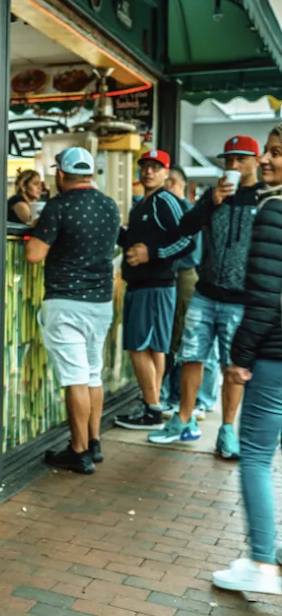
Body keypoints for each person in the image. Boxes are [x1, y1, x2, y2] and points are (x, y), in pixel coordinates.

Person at [150, 136, 261, 456]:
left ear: (255, 161)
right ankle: (183, 421)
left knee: (232, 367)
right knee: (191, 358)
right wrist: (211, 200)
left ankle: (227, 430)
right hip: (205, 292)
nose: (234, 166)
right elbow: (185, 228)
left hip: (241, 299)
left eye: (241, 160)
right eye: (229, 160)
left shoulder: (265, 197)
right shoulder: (215, 196)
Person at [212, 126, 282, 595]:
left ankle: (261, 563)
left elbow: (265, 297)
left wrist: (240, 355)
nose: (268, 161)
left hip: (274, 354)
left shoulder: (273, 211)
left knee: (255, 457)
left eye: (276, 153)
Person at [25, 147, 120, 474]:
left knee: (75, 379)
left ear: (61, 175)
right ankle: (93, 442)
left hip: (66, 303)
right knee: (92, 374)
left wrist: (37, 230)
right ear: (90, 173)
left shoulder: (59, 206)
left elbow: (34, 255)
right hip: (101, 303)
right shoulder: (110, 206)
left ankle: (78, 451)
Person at [114, 150, 195, 430]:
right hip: (147, 285)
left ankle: (152, 409)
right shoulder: (143, 204)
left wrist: (153, 254)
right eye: (145, 166)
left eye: (155, 167)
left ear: (166, 172)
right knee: (154, 349)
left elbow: (187, 241)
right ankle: (154, 403)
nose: (148, 172)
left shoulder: (165, 200)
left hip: (154, 286)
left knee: (139, 347)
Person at [157, 165, 218, 424]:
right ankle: (182, 398)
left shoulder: (183, 208)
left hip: (186, 276)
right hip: (180, 277)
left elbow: (189, 248)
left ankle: (198, 400)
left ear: (172, 182)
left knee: (187, 340)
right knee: (178, 339)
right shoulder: (180, 208)